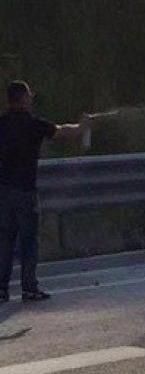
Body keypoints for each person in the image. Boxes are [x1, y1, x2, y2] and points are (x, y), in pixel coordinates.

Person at [0, 81, 89, 303]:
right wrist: (81, 127)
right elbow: (60, 132)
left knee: (5, 241)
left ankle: (1, 289)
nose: (31, 99)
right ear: (23, 99)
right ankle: (29, 288)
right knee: (29, 242)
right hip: (25, 192)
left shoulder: (1, 124)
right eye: (29, 96)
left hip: (3, 192)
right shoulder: (33, 124)